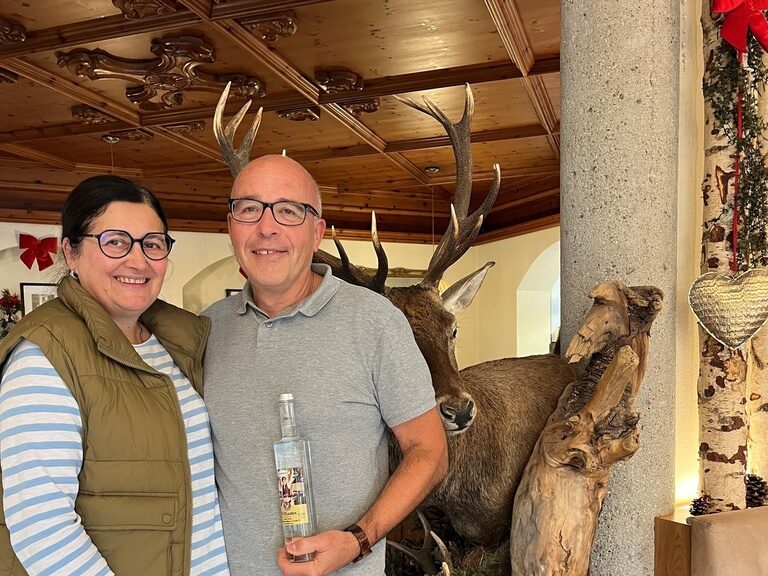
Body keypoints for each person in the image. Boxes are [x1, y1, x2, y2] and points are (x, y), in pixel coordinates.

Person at [203, 154, 449, 576]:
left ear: (316, 231)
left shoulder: (375, 321)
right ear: (231, 227)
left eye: (288, 210)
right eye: (249, 208)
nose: (267, 227)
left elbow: (430, 451)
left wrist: (358, 538)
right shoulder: (207, 327)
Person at [0, 175, 229, 576]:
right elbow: (41, 525)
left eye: (153, 244)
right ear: (71, 252)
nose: (138, 261)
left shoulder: (177, 345)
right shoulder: (43, 356)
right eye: (115, 241)